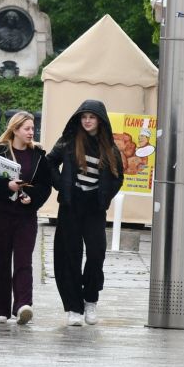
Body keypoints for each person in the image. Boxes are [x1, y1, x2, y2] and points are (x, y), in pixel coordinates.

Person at [47, 100, 124, 326]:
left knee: (96, 253)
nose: (87, 121)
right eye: (84, 117)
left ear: (100, 120)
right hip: (71, 205)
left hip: (94, 207)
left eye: (91, 117)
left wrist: (105, 196)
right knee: (69, 255)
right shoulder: (69, 141)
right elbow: (49, 162)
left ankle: (90, 300)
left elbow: (118, 177)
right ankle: (74, 307)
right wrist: (62, 186)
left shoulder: (110, 148)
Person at [0, 110, 52, 325]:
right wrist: (7, 186)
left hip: (26, 216)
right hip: (2, 214)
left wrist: (33, 198)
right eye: (26, 129)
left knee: (23, 260)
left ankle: (23, 305)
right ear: (15, 130)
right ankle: (0, 309)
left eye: (32, 128)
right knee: (0, 260)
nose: (31, 132)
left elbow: (45, 186)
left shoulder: (38, 155)